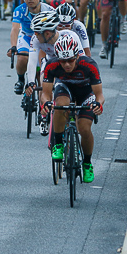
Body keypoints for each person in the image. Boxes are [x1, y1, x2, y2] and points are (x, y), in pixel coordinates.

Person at [41, 34, 105, 183]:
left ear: (77, 56)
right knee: (60, 104)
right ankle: (58, 144)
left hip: (85, 93)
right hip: (64, 89)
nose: (67, 65)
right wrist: (46, 103)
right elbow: (45, 94)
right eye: (63, 61)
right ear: (58, 58)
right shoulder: (52, 65)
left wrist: (98, 104)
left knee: (84, 129)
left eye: (70, 60)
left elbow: (99, 94)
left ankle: (87, 163)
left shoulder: (89, 65)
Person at [8, 0, 54, 94]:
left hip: (42, 39)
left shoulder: (49, 11)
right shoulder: (19, 10)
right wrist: (13, 47)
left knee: (42, 69)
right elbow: (14, 29)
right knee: (22, 58)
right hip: (26, 37)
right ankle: (20, 80)